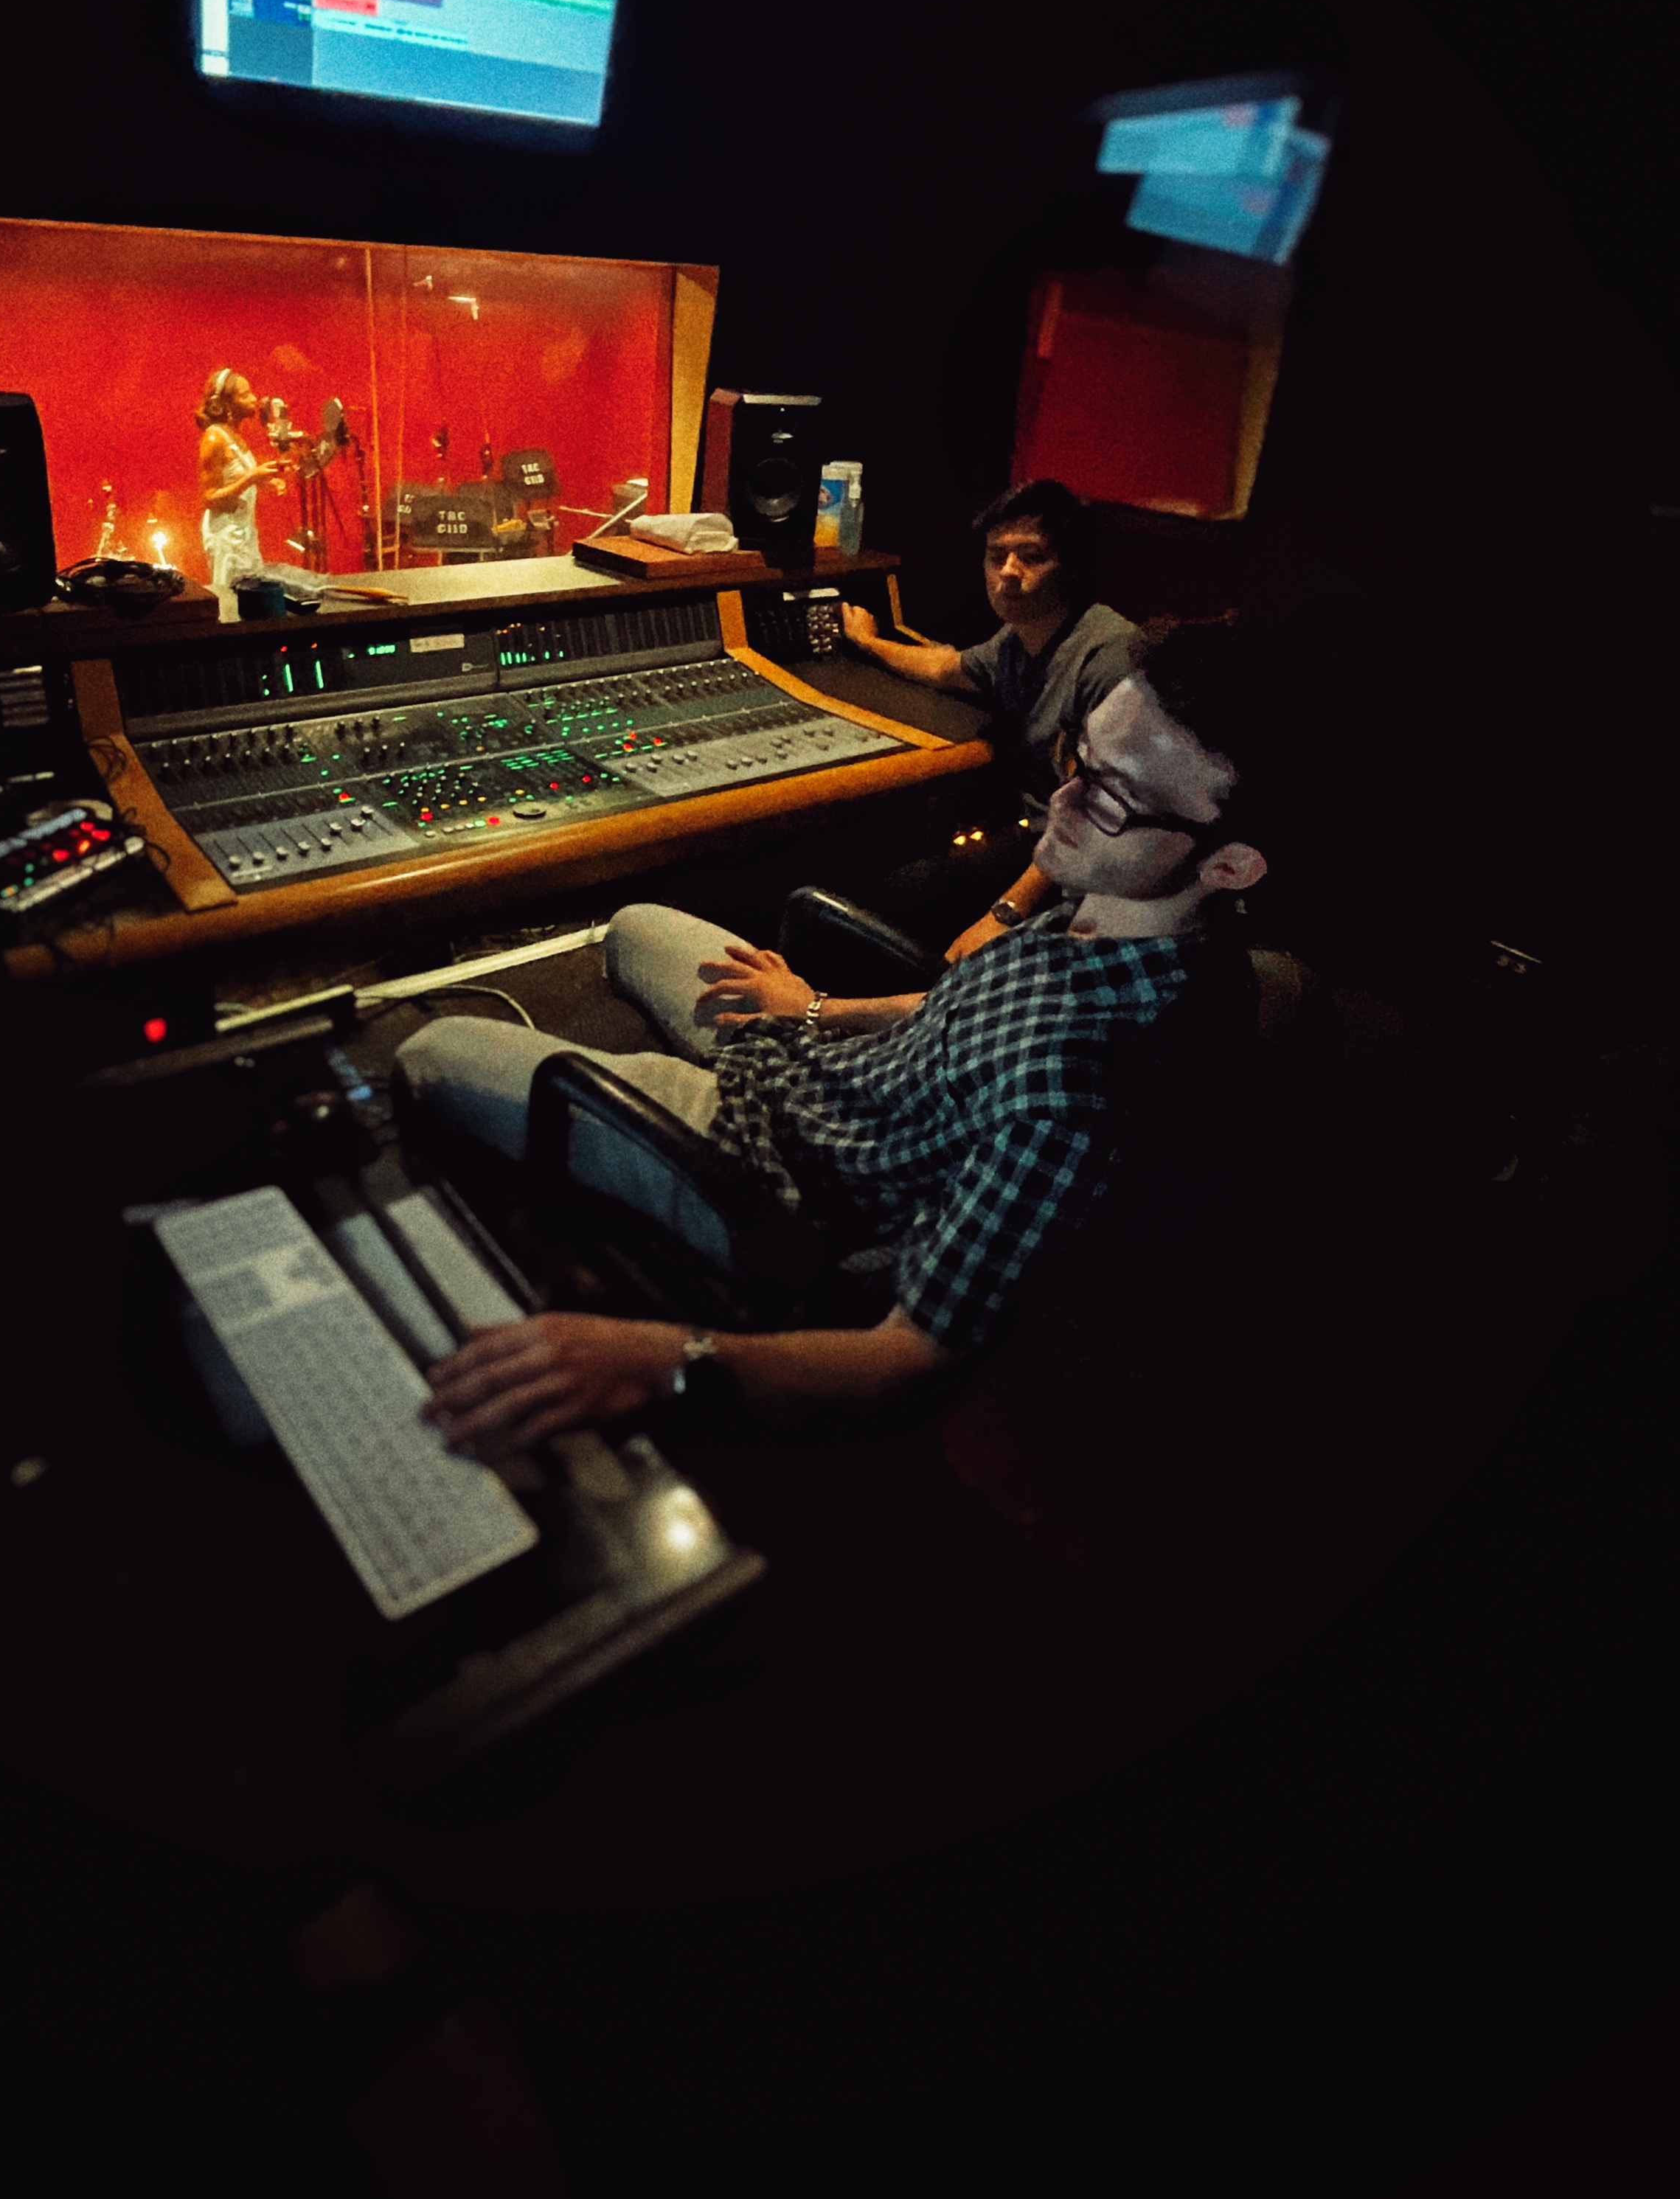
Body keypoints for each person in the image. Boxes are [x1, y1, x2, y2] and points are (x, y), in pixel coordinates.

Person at [402, 616, 1271, 1465]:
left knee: (433, 1056)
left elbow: (908, 1362)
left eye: (1113, 796)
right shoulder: (1111, 909)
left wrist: (660, 1358)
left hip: (765, 1164)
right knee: (635, 924)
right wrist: (812, 1008)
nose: (1063, 800)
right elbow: (956, 1012)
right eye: (1079, 757)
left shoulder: (1076, 1097)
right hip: (811, 1063)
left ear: (1228, 864)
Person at [839, 479, 1138, 965]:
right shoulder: (1016, 641)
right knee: (885, 881)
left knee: (899, 896)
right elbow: (946, 667)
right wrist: (869, 644)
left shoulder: (1108, 658)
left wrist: (1005, 913)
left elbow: (1096, 816)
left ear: (1070, 566)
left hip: (1090, 869)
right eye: (996, 556)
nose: (1009, 572)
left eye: (1031, 557)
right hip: (1042, 840)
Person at [196, 366, 285, 591]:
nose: (254, 399)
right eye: (245, 395)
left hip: (243, 533)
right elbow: (210, 499)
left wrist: (267, 481)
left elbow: (235, 478)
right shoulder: (214, 439)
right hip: (226, 538)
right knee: (233, 598)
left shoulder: (234, 435)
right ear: (223, 404)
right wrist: (252, 478)